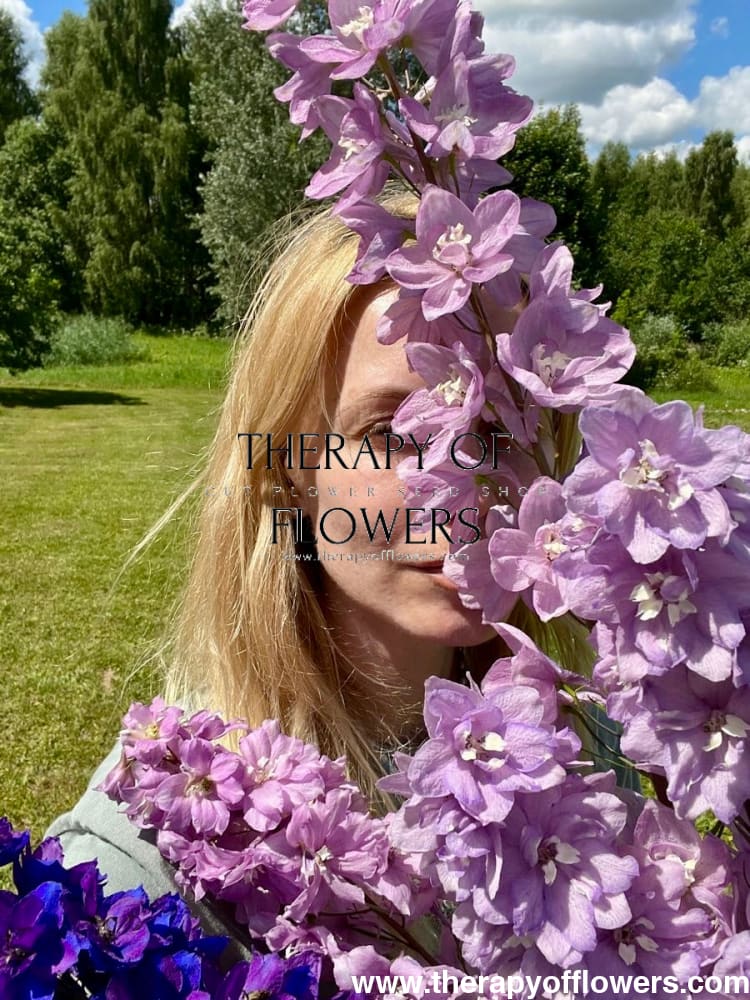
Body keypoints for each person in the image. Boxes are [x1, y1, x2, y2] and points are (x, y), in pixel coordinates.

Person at [47, 186, 551, 948]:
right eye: (394, 432)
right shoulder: (167, 830)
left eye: (503, 423)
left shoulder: (584, 748)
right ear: (286, 472)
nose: (469, 494)